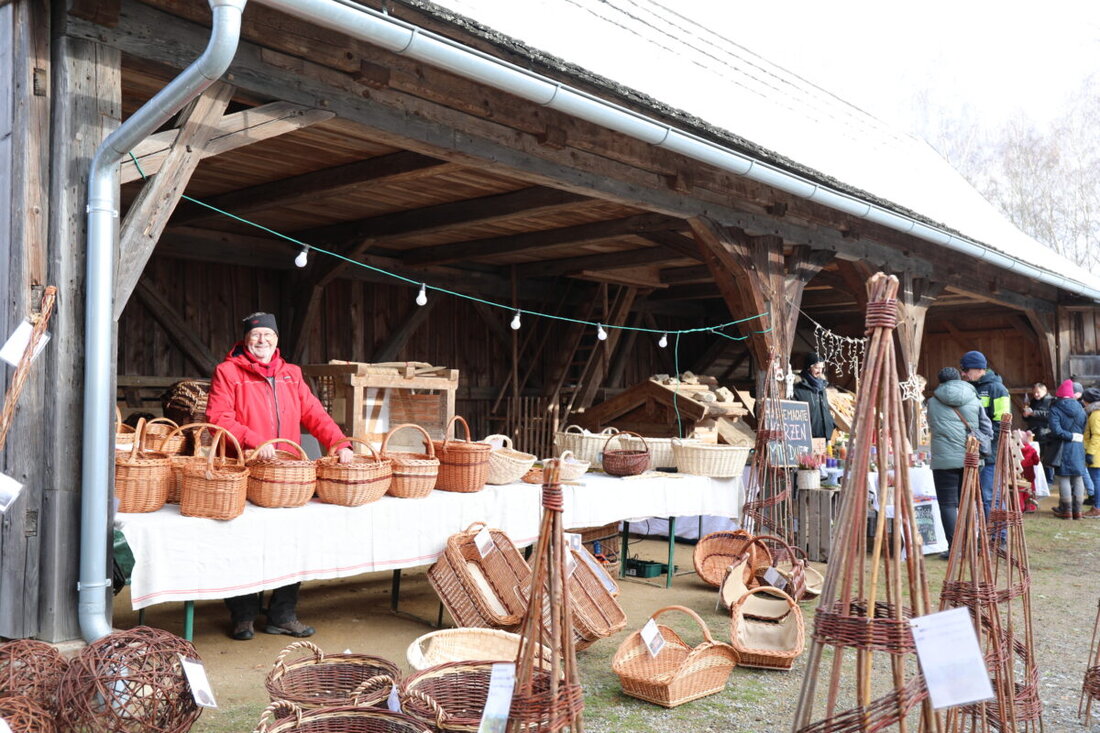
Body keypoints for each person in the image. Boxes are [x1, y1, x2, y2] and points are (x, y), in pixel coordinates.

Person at [207, 312, 354, 640]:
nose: (262, 341)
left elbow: (314, 413)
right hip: (244, 469)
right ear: (245, 341)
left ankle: (282, 613)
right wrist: (254, 440)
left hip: (286, 474)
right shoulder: (228, 372)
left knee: (290, 542)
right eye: (255, 336)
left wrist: (339, 442)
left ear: (277, 339)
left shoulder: (291, 374)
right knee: (244, 542)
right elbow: (218, 417)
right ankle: (243, 615)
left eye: (267, 335)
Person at [927, 367, 991, 555]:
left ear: (940, 381)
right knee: (969, 501)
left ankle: (955, 548)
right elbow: (986, 425)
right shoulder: (974, 397)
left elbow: (931, 424)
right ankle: (972, 543)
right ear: (959, 379)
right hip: (971, 456)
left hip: (943, 458)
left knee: (947, 504)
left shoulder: (932, 401)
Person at [959, 350, 1009, 516]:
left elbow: (1003, 423)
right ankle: (985, 536)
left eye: (966, 370)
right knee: (978, 497)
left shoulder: (998, 389)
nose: (964, 373)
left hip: (991, 453)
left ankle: (998, 537)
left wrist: (982, 440)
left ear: (979, 369)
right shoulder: (969, 388)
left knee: (990, 496)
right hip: (973, 452)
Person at [1048, 378, 1088, 519]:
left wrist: (1069, 436)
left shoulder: (1055, 408)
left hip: (1062, 447)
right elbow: (1083, 427)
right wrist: (1075, 437)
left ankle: (1067, 511)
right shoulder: (1080, 408)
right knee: (1078, 477)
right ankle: (1078, 511)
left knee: (1064, 477)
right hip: (1077, 446)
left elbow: (1056, 430)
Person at [792, 352, 836, 442]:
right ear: (808, 367)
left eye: (821, 368)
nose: (819, 371)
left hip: (825, 436)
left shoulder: (822, 386)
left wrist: (831, 423)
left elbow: (825, 408)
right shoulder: (799, 387)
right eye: (816, 367)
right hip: (807, 437)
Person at [1021, 382, 1055, 485]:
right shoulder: (1033, 401)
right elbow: (1029, 416)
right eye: (1034, 392)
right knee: (1035, 457)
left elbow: (1051, 415)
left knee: (1046, 458)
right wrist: (1025, 415)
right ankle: (1037, 480)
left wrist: (1033, 413)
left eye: (1038, 392)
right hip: (1033, 432)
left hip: (1046, 432)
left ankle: (1049, 480)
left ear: (1045, 391)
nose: (1036, 394)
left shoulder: (1051, 401)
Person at [1082, 386, 1100, 517]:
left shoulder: (1095, 415)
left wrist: (1090, 453)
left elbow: (1097, 435)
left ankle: (1097, 508)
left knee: (1097, 481)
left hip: (1096, 454)